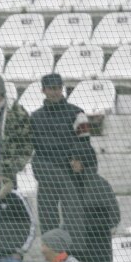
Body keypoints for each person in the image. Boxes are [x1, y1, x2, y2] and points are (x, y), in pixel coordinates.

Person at [29, 72, 96, 233]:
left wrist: (78, 159)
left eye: (58, 88)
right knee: (48, 219)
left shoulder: (77, 113)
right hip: (48, 173)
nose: (55, 92)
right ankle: (52, 253)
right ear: (43, 90)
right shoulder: (35, 117)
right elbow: (33, 145)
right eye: (51, 88)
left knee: (73, 217)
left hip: (71, 173)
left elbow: (85, 140)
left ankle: (73, 252)